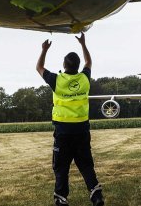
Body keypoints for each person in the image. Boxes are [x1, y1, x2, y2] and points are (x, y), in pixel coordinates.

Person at [37, 32, 104, 206]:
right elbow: (89, 62)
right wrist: (83, 44)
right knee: (86, 165)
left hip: (63, 132)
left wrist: (44, 50)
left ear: (64, 65)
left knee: (61, 168)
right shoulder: (84, 79)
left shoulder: (57, 80)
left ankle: (61, 199)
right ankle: (96, 195)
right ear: (78, 66)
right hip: (82, 130)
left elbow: (39, 67)